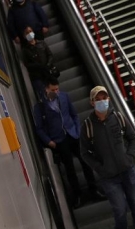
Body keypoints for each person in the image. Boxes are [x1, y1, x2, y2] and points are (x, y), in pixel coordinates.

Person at [81, 86, 135, 229]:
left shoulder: (119, 117)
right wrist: (99, 168)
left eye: (104, 97)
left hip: (128, 170)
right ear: (92, 102)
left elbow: (133, 138)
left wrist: (129, 157)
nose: (102, 101)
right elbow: (84, 153)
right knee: (120, 208)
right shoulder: (88, 126)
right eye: (98, 99)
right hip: (108, 177)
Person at [33, 78, 98, 207]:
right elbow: (39, 128)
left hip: (73, 134)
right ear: (46, 89)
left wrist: (77, 130)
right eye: (53, 90)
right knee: (70, 169)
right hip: (59, 140)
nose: (56, 92)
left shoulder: (64, 97)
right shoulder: (40, 106)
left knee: (85, 162)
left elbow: (73, 114)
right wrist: (49, 141)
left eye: (57, 89)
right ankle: (77, 195)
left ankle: (94, 189)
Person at [19, 27, 56, 98]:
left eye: (30, 31)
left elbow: (50, 54)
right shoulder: (25, 50)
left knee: (53, 92)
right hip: (37, 76)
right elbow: (27, 64)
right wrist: (38, 66)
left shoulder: (42, 43)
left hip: (48, 72)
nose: (29, 34)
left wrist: (47, 65)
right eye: (27, 33)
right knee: (44, 94)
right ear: (24, 36)